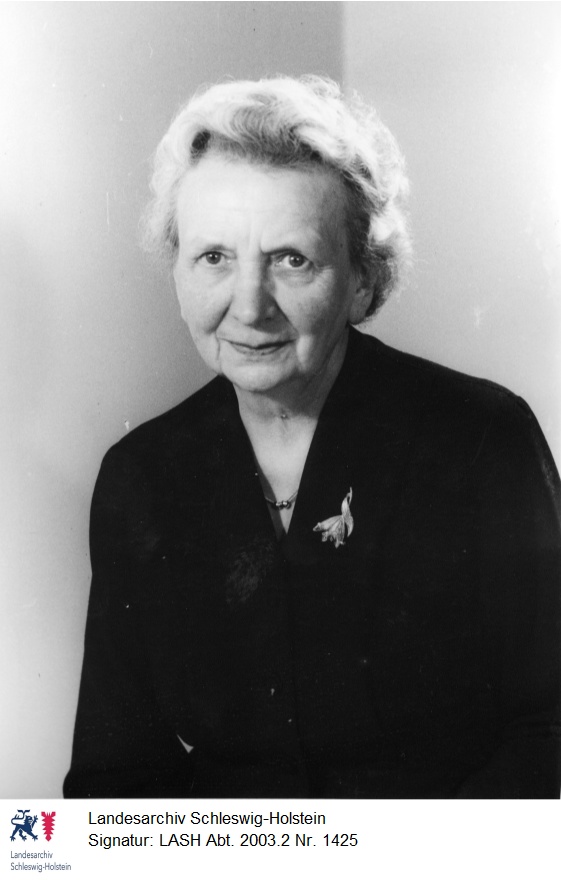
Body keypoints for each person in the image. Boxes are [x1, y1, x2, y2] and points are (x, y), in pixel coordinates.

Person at [64, 75, 561, 799]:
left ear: (362, 279)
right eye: (213, 257)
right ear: (176, 270)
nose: (248, 306)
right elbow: (115, 777)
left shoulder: (481, 440)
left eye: (291, 259)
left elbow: (548, 732)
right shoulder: (142, 476)